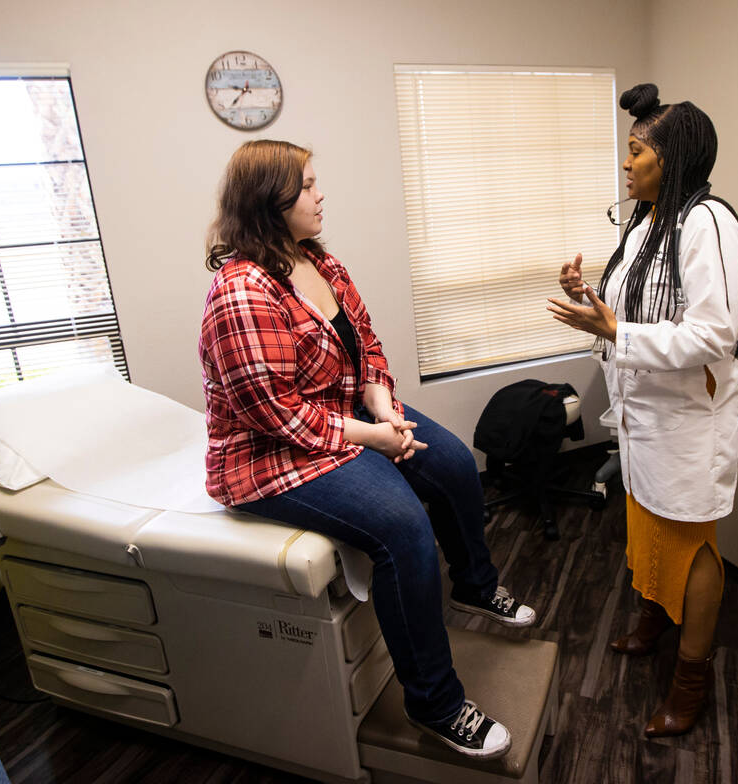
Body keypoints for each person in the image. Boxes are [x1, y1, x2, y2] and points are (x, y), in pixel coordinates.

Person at [198, 140, 536, 760]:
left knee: (455, 463)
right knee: (404, 526)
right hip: (271, 455)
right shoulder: (242, 292)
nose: (319, 194)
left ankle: (475, 584)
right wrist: (374, 438)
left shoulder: (319, 263)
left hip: (346, 415)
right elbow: (277, 413)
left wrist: (382, 404)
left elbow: (368, 345)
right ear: (269, 202)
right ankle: (434, 704)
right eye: (305, 185)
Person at [547, 84, 738, 737]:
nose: (626, 164)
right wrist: (590, 302)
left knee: (690, 543)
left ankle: (691, 680)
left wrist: (616, 333)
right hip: (643, 417)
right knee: (645, 523)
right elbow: (625, 314)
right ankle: (653, 620)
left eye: (637, 152)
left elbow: (715, 333)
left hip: (687, 419)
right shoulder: (645, 226)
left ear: (674, 158)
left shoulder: (706, 222)